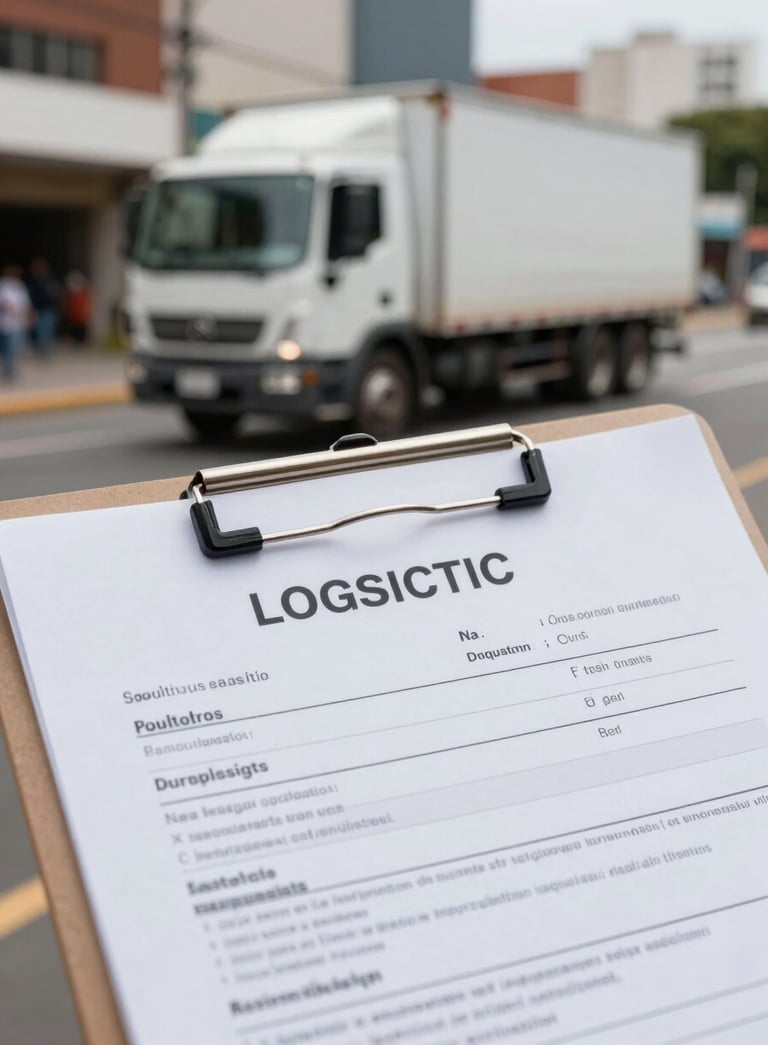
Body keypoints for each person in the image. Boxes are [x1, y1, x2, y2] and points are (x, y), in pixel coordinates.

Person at [0, 264, 33, 381]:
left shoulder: (20, 286)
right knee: (9, 348)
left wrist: (29, 316)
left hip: (20, 323)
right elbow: (3, 304)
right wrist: (13, 312)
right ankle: (9, 371)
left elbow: (26, 303)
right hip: (7, 324)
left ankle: (11, 369)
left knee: (16, 348)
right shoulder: (3, 286)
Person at [27, 257, 61, 358]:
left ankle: (46, 352)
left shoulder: (49, 280)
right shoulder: (34, 282)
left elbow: (56, 295)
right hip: (40, 309)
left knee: (46, 331)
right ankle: (42, 352)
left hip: (48, 309)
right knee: (41, 331)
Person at [63, 270, 92, 345]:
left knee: (81, 330)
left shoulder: (83, 293)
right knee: (75, 330)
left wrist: (86, 313)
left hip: (81, 315)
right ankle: (76, 341)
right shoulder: (72, 294)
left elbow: (86, 304)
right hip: (74, 315)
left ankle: (80, 341)